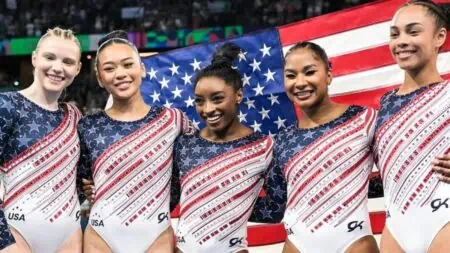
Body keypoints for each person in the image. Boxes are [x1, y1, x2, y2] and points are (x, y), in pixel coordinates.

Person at [251, 41, 379, 253]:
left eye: (309, 72)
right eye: (291, 75)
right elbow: (276, 206)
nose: (300, 82)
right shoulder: (283, 140)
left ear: (329, 74)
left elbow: (397, 174)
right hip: (298, 246)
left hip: (353, 243)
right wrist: (225, 205)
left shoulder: (364, 120)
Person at [78, 30, 194, 253]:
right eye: (109, 68)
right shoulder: (88, 125)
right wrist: (87, 188)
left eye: (127, 64)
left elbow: (195, 172)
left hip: (156, 235)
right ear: (100, 78)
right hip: (101, 237)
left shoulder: (173, 120)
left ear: (142, 68)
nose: (120, 74)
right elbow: (77, 180)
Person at [171, 43, 274, 253]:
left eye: (217, 99)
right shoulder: (184, 144)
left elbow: (280, 205)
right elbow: (166, 199)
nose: (208, 109)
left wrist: (235, 208)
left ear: (238, 95)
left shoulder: (263, 147)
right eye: (200, 101)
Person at [374, 1, 450, 252]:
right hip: (396, 227)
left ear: (440, 37)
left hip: (444, 222)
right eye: (395, 34)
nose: (401, 41)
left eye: (413, 31)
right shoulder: (385, 104)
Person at [0, 27, 83, 253]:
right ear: (35, 58)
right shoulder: (6, 106)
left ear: (77, 68)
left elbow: (79, 179)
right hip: (16, 232)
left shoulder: (75, 116)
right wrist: (3, 240)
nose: (57, 67)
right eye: (49, 57)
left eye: (67, 61)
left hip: (69, 233)